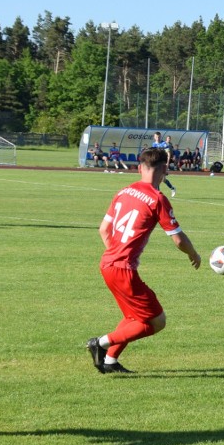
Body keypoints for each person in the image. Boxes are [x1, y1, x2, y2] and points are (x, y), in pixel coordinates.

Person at [87, 147, 201, 373]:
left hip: (107, 264)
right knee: (156, 322)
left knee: (132, 317)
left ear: (140, 168)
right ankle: (99, 343)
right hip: (123, 270)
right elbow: (178, 240)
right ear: (165, 170)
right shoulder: (157, 199)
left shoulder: (124, 191)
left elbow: (103, 230)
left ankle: (109, 362)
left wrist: (116, 254)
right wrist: (194, 254)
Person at [151, 132, 177, 197]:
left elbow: (168, 154)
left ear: (160, 137)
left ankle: (157, 194)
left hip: (163, 163)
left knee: (159, 178)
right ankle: (172, 188)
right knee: (162, 179)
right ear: (154, 137)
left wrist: (167, 163)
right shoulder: (154, 144)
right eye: (156, 137)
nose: (158, 138)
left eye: (159, 137)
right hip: (156, 163)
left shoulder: (164, 144)